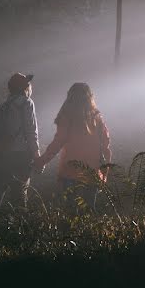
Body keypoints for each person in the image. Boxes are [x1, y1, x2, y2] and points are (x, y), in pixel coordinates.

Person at [35, 82, 111, 210]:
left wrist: (42, 161)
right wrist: (104, 174)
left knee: (70, 211)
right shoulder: (96, 118)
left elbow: (57, 143)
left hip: (70, 172)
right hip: (91, 174)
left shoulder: (66, 117)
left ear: (70, 97)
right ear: (90, 97)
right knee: (89, 212)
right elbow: (106, 147)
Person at [0, 72, 41, 207]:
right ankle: (19, 224)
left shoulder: (1, 108)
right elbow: (31, 132)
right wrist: (37, 157)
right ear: (25, 87)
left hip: (3, 155)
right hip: (21, 156)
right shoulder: (26, 103)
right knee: (19, 196)